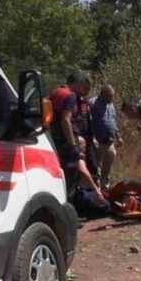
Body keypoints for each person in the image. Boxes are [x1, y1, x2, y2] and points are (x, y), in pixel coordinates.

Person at [49, 69, 92, 198]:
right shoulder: (70, 95)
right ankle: (70, 208)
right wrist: (73, 145)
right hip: (65, 142)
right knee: (71, 178)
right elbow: (65, 120)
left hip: (54, 139)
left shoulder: (56, 92)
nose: (84, 92)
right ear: (78, 82)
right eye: (83, 87)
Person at [91, 84, 123, 191]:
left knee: (107, 168)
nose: (111, 99)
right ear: (102, 94)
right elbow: (87, 122)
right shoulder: (92, 104)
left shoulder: (111, 106)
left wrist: (118, 136)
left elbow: (112, 122)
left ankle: (105, 190)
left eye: (112, 96)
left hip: (110, 142)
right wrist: (92, 138)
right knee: (97, 168)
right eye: (109, 96)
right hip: (98, 142)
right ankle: (96, 191)